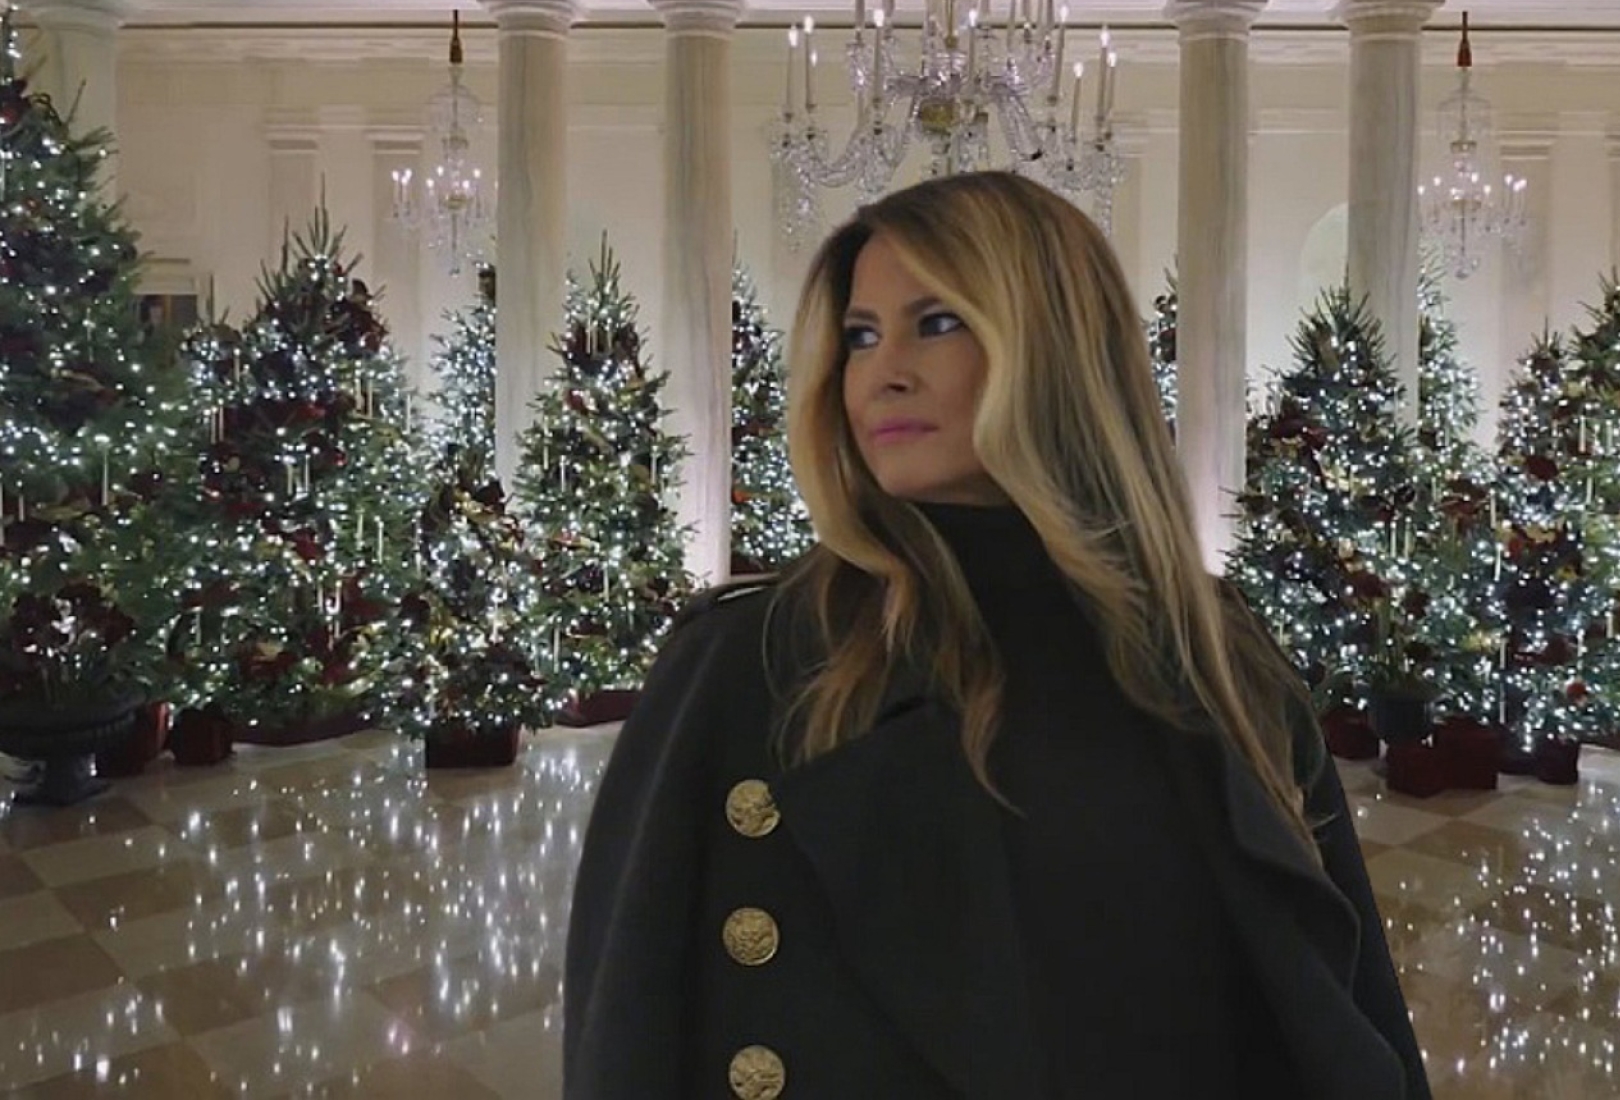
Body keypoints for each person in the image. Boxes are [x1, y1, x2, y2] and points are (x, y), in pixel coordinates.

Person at [564, 171, 1429, 1100]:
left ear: (1059, 351)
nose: (884, 372)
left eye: (937, 323)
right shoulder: (749, 662)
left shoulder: (1206, 650)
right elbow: (628, 1030)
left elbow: (1327, 1018)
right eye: (861, 336)